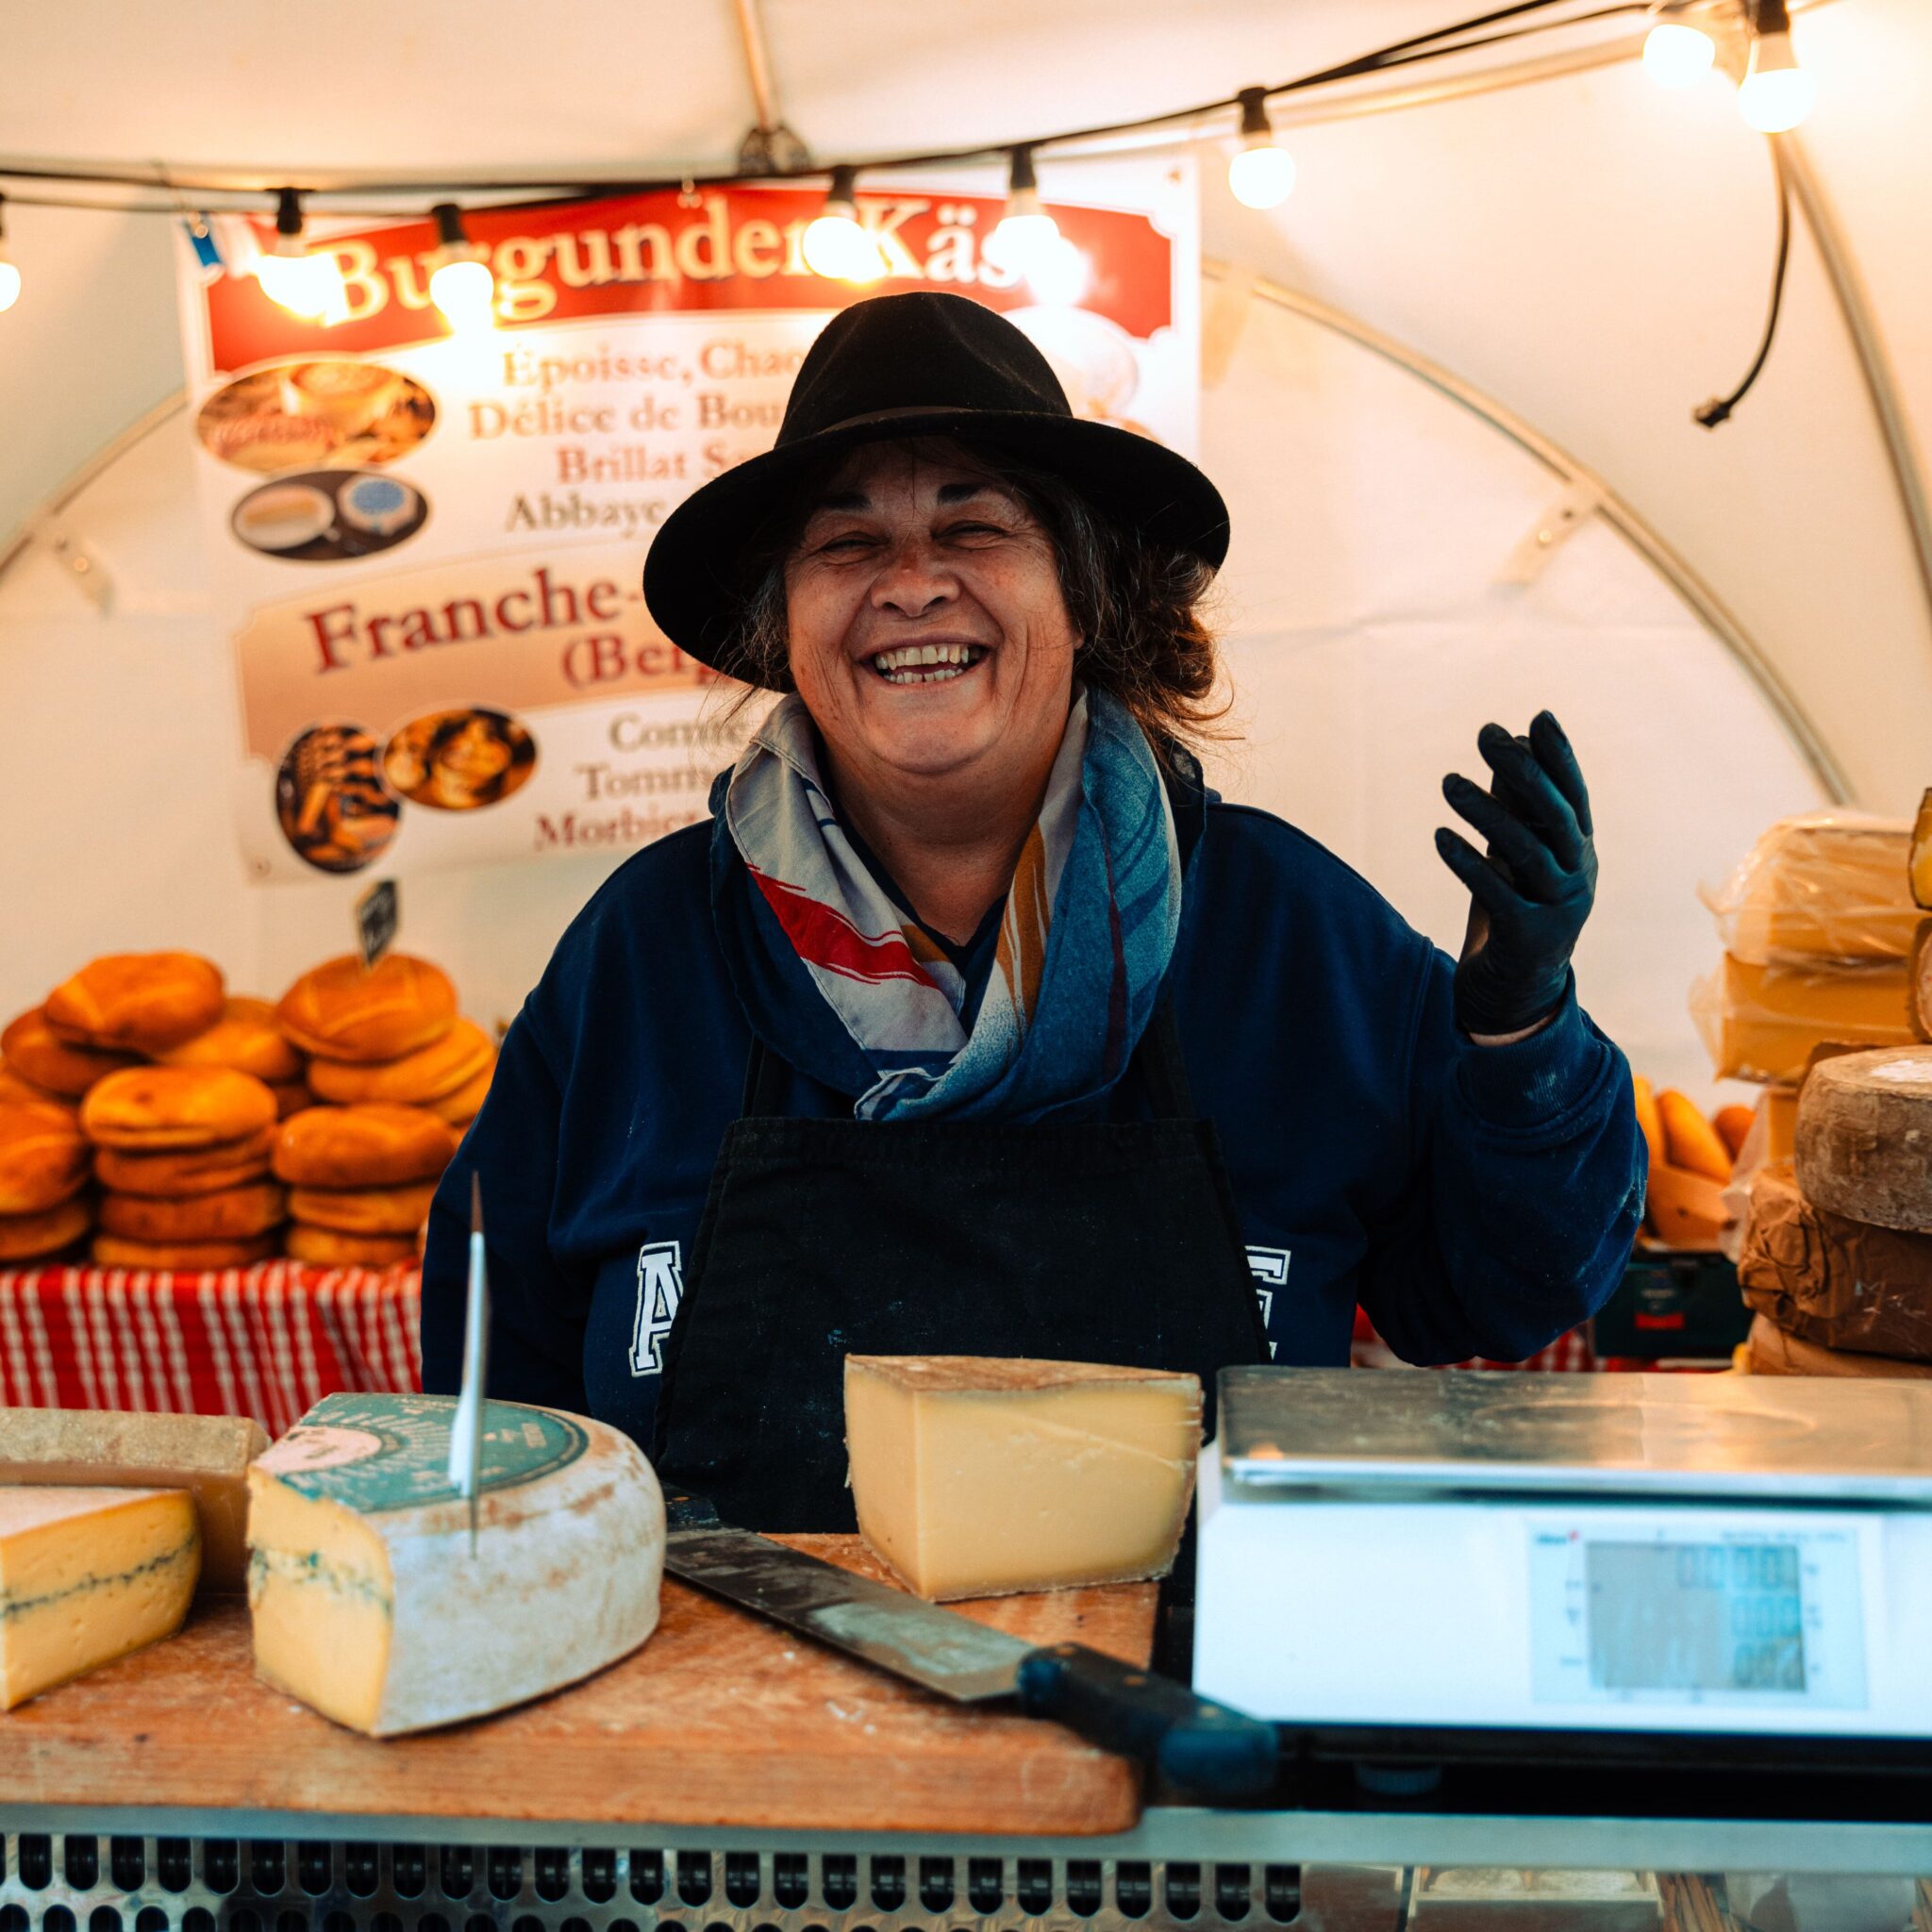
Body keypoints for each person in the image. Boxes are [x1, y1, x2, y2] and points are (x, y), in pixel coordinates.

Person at [421, 291, 1643, 1530]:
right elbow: (491, 1396)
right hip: (728, 1716)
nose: (911, 586)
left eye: (973, 526)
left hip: (1176, 1706)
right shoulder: (644, 953)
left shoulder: (1281, 929)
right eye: (846, 545)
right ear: (781, 625)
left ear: (1085, 598)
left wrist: (1517, 1037)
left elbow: (1498, 1294)